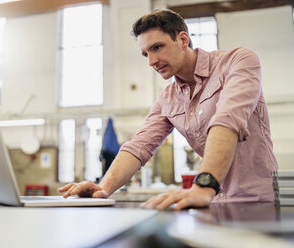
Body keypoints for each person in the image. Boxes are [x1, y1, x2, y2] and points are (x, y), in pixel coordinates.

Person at [58, 9, 278, 210]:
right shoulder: (167, 98)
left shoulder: (238, 61)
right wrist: (102, 188)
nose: (152, 61)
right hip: (214, 204)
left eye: (157, 47)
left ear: (182, 39)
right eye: (145, 54)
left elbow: (227, 120)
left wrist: (203, 186)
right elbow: (139, 146)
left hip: (258, 203)